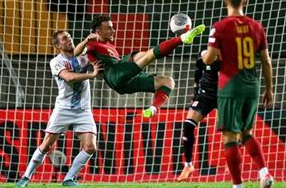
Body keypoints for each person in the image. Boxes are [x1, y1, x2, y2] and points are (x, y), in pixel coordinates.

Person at [202, 0, 274, 188]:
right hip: (253, 86)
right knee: (247, 132)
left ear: (226, 1)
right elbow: (266, 61)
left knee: (229, 135)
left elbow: (208, 58)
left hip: (230, 86)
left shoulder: (220, 27)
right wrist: (270, 89)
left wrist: (208, 52)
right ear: (244, 2)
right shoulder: (256, 27)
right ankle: (264, 172)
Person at [74, 15, 205, 118]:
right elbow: (75, 52)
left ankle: (153, 109)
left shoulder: (108, 45)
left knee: (167, 81)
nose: (113, 30)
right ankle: (182, 39)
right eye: (109, 28)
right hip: (115, 73)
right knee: (145, 55)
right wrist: (86, 40)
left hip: (123, 84)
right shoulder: (93, 44)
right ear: (98, 31)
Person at [16, 31, 102, 187]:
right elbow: (69, 77)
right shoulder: (56, 62)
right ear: (57, 45)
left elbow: (91, 54)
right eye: (64, 39)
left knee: (90, 146)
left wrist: (93, 41)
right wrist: (92, 75)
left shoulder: (83, 58)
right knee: (47, 144)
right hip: (63, 109)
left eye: (69, 37)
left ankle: (69, 178)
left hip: (83, 110)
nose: (69, 39)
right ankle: (26, 177)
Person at [176, 50, 220, 181]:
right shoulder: (202, 56)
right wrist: (195, 93)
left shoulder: (229, 58)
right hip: (205, 96)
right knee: (188, 126)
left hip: (224, 96)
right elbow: (197, 74)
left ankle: (236, 163)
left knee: (229, 131)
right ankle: (188, 165)